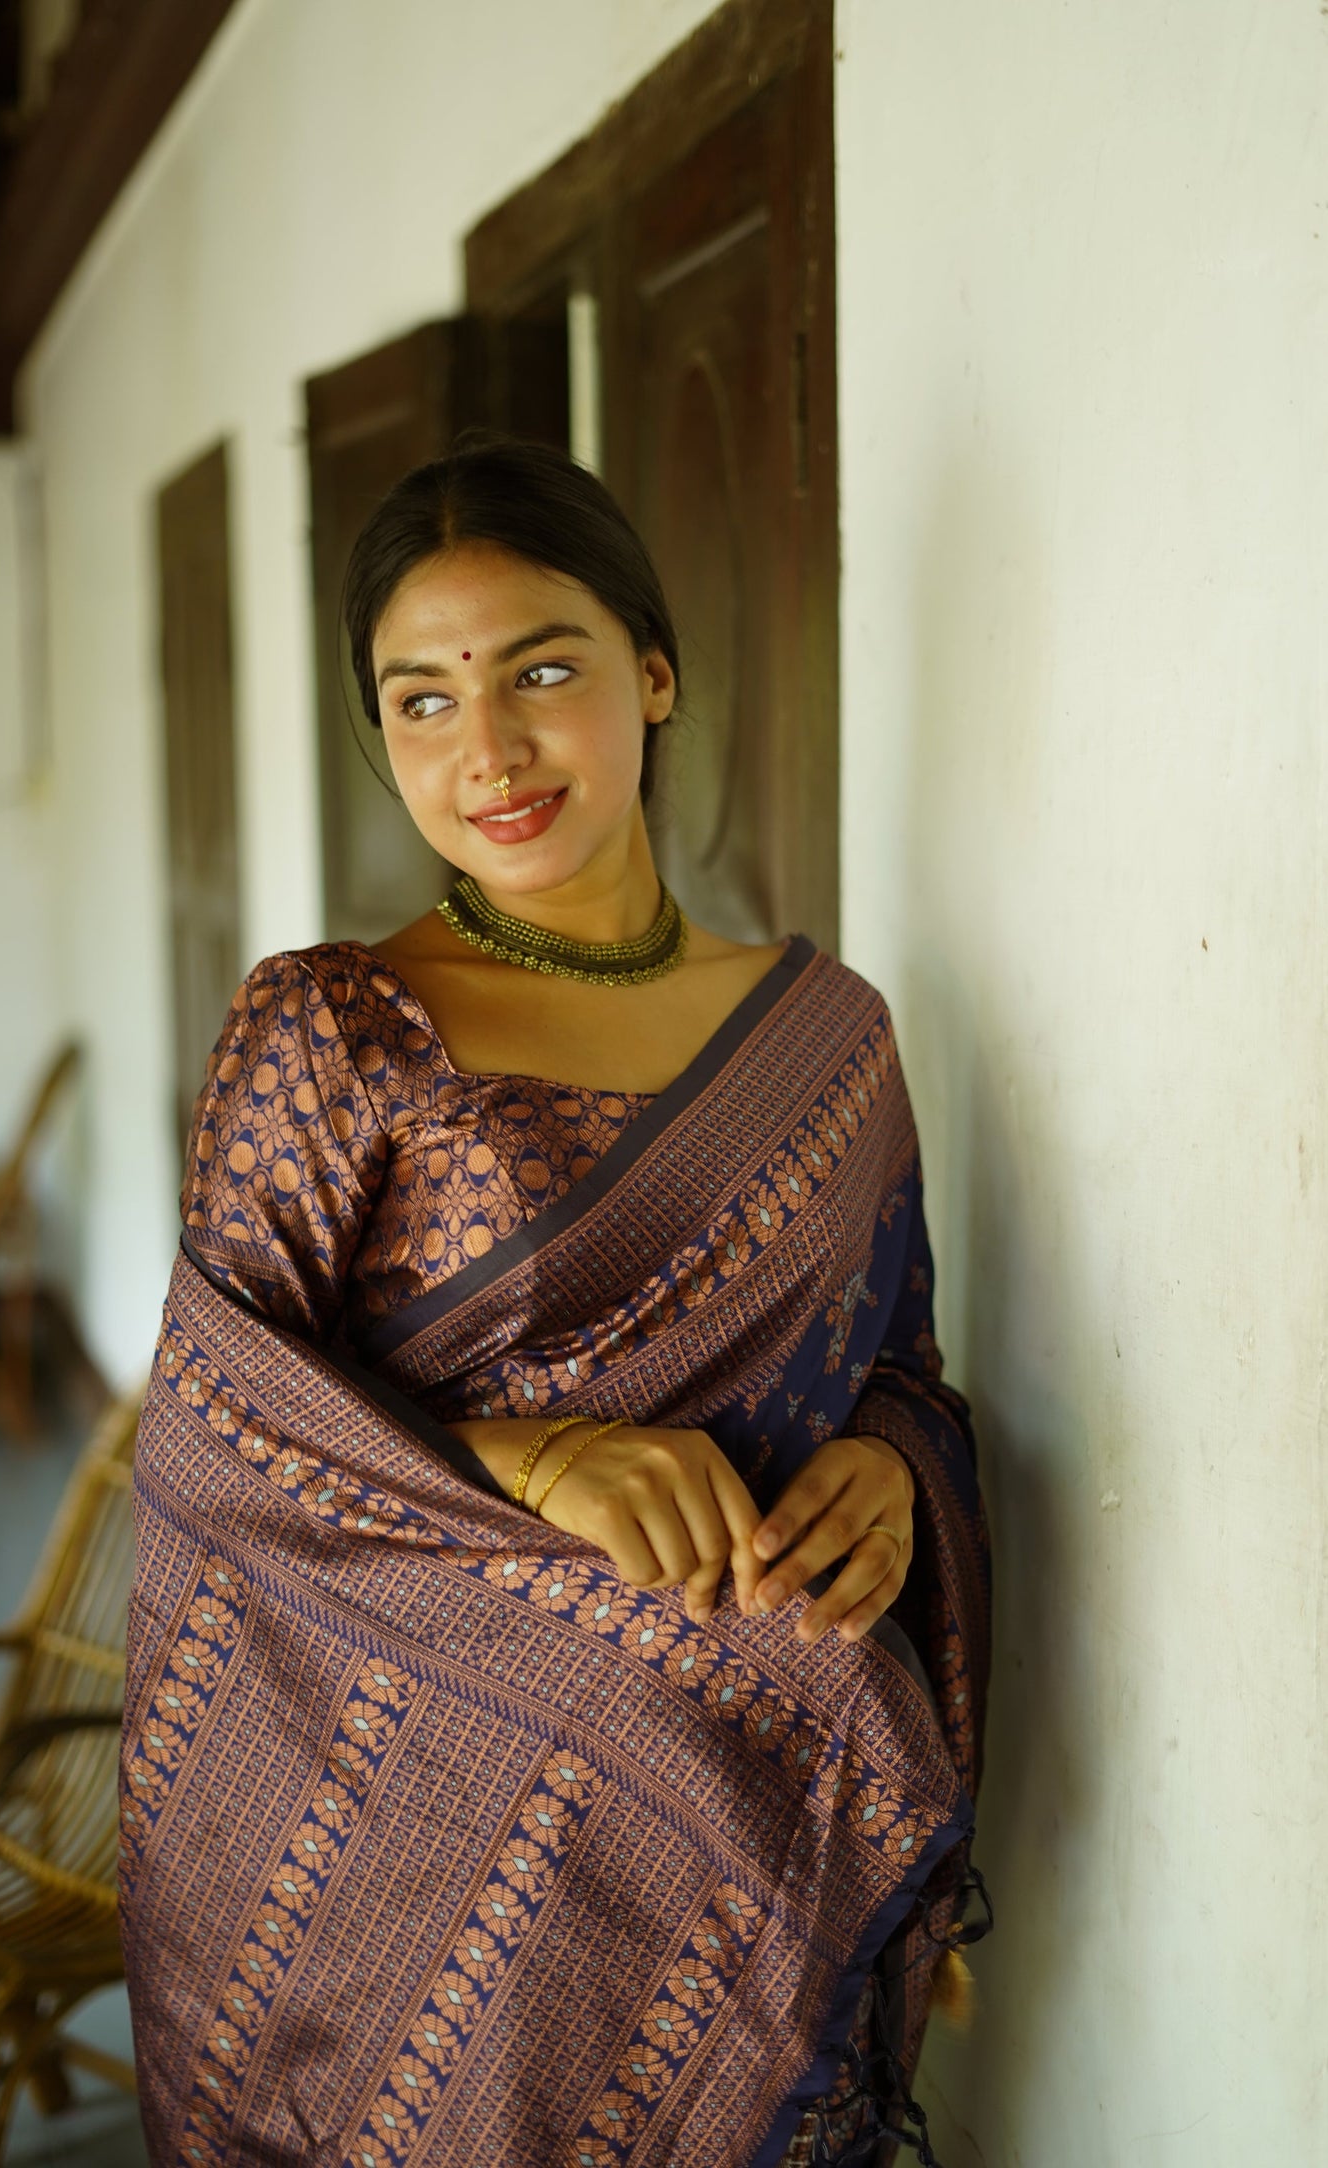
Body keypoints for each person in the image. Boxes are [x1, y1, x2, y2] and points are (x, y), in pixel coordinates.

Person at [120, 434, 991, 2168]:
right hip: (398, 1835)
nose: (489, 750)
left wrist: (890, 1474)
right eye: (420, 701)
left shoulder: (827, 1040)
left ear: (650, 675)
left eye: (539, 671)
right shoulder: (332, 1026)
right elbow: (218, 1432)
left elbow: (897, 1360)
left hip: (739, 1824)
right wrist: (537, 1458)